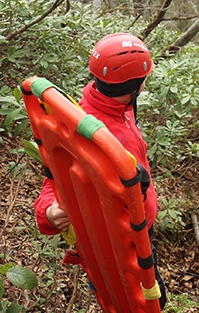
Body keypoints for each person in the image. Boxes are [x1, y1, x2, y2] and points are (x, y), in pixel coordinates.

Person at [33, 33, 166, 308]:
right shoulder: (92, 134)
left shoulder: (106, 104)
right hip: (125, 243)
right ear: (137, 85)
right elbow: (57, 180)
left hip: (139, 227)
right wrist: (48, 212)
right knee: (147, 303)